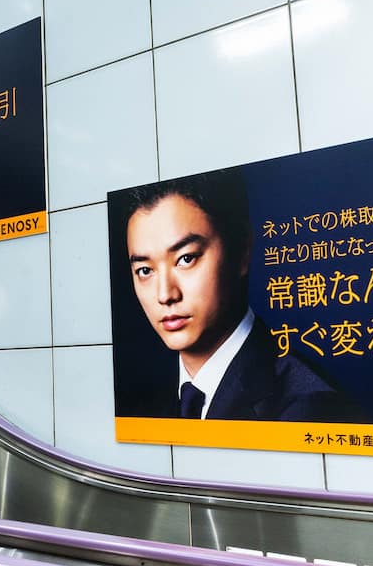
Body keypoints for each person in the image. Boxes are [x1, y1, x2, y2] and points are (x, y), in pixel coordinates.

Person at [122, 170, 357, 422]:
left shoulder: (309, 405)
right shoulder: (143, 405)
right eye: (145, 270)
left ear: (242, 250)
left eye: (186, 259)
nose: (165, 294)